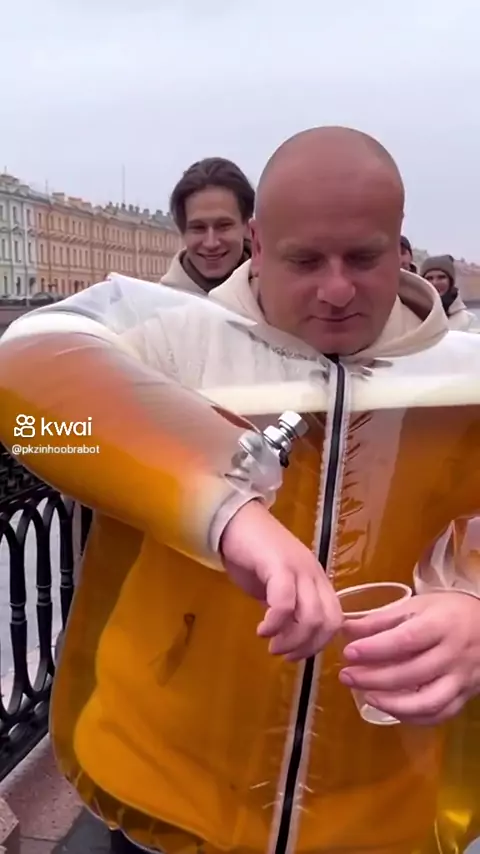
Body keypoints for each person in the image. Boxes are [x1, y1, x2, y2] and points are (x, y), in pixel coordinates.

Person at [2, 126, 480, 854]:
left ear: (399, 244)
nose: (337, 290)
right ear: (257, 244)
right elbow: (30, 399)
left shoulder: (462, 371)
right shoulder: (167, 333)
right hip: (164, 792)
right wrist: (225, 508)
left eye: (363, 257)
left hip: (388, 814)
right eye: (304, 260)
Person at [161, 156, 255, 294]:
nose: (211, 243)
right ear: (182, 231)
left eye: (223, 226)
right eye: (198, 228)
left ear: (248, 226)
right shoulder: (156, 305)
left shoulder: (277, 299)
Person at [420, 254, 475, 330]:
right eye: (429, 278)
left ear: (451, 282)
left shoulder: (469, 320)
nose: (435, 283)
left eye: (441, 277)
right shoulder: (413, 317)